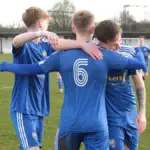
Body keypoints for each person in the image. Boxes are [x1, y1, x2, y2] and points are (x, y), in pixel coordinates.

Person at [0, 11, 145, 150]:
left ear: (73, 28)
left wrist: (6, 66)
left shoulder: (60, 56)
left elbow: (31, 69)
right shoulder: (104, 55)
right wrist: (139, 50)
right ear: (93, 28)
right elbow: (140, 64)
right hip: (97, 124)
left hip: (69, 124)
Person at [6, 7, 101, 150]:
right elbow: (16, 41)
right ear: (40, 23)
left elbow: (61, 45)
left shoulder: (44, 45)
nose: (47, 26)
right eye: (46, 23)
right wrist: (41, 33)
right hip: (23, 106)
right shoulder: (25, 45)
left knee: (31, 146)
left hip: (39, 108)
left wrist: (82, 44)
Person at [95, 20, 146, 150]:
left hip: (130, 113)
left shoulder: (128, 51)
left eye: (119, 39)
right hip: (110, 116)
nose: (118, 45)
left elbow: (139, 83)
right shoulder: (94, 54)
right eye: (113, 44)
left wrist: (142, 112)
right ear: (101, 43)